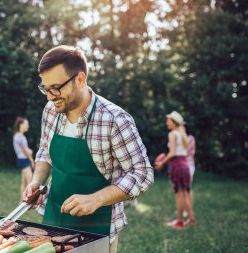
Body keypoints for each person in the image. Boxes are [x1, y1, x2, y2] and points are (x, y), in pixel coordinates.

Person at [23, 45, 154, 252]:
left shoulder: (114, 120)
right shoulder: (51, 110)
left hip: (98, 228)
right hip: (53, 219)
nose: (49, 96)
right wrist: (36, 182)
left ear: (80, 79)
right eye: (45, 89)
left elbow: (143, 173)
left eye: (56, 88)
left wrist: (96, 199)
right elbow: (44, 152)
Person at [155, 111, 196, 228]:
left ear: (174, 122)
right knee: (186, 193)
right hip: (185, 164)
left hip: (176, 164)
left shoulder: (173, 134)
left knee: (179, 194)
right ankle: (191, 219)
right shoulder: (182, 134)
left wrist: (162, 162)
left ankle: (179, 221)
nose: (167, 123)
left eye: (168, 120)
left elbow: (172, 153)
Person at [13, 117, 34, 201]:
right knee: (31, 181)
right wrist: (32, 161)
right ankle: (30, 200)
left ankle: (22, 201)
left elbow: (25, 150)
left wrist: (29, 151)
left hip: (23, 160)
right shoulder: (18, 136)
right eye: (26, 124)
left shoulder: (20, 136)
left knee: (24, 182)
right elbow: (25, 151)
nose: (28, 126)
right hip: (23, 160)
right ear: (21, 125)